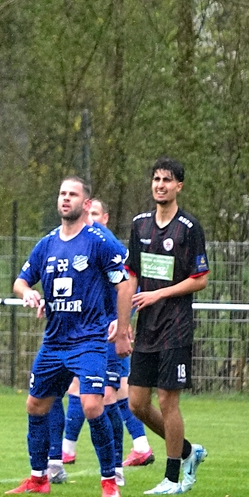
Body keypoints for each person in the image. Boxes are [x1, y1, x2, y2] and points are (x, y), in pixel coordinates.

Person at [9, 176, 134, 497]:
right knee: (35, 405)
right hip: (54, 342)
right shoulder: (47, 243)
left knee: (92, 405)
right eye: (62, 193)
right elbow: (21, 281)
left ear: (86, 203)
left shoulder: (98, 241)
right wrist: (28, 294)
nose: (66, 198)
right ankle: (39, 477)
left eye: (73, 194)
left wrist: (122, 329)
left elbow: (125, 284)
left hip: (88, 340)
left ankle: (109, 479)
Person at [50, 198, 153, 479]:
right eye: (88, 212)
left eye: (95, 213)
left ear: (104, 217)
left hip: (104, 331)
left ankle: (112, 466)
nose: (90, 217)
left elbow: (130, 284)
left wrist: (122, 322)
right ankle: (59, 458)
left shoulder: (106, 243)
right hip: (81, 330)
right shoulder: (74, 241)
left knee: (106, 394)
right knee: (79, 390)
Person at [127, 157, 209, 495]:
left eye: (167, 180)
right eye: (156, 179)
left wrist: (159, 293)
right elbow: (131, 275)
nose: (160, 185)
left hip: (175, 327)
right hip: (146, 326)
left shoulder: (189, 228)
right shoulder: (140, 225)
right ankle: (188, 450)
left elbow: (200, 279)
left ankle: (173, 478)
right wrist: (124, 320)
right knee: (136, 403)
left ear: (179, 186)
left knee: (167, 401)